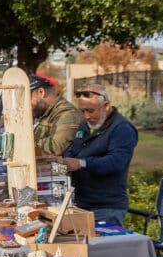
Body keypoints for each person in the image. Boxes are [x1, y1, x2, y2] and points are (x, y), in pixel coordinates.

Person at [63, 84, 138, 226]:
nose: (86, 116)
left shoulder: (122, 128)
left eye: (90, 110)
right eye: (82, 111)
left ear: (106, 105)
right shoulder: (86, 124)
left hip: (106, 207)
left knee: (103, 247)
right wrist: (67, 160)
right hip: (81, 202)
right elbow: (73, 148)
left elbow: (116, 162)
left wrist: (82, 163)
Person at [29, 73, 81, 156]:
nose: (25, 104)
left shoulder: (67, 113)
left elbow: (56, 148)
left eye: (27, 98)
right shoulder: (42, 112)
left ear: (41, 92)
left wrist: (24, 141)